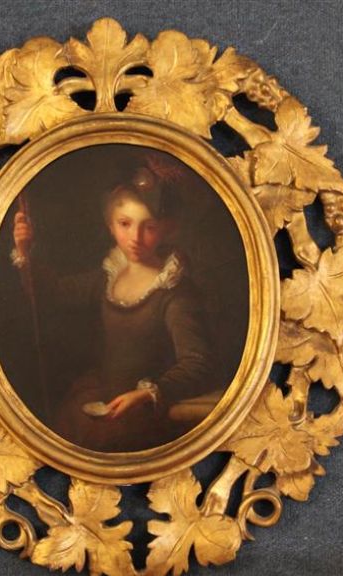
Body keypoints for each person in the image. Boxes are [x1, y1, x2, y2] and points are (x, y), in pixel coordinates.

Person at [12, 153, 216, 452]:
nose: (135, 237)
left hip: (143, 412)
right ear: (110, 226)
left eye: (149, 227)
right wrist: (24, 251)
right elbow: (53, 293)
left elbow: (197, 362)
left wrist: (146, 394)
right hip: (100, 397)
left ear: (167, 228)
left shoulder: (174, 291)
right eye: (125, 223)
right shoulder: (109, 275)